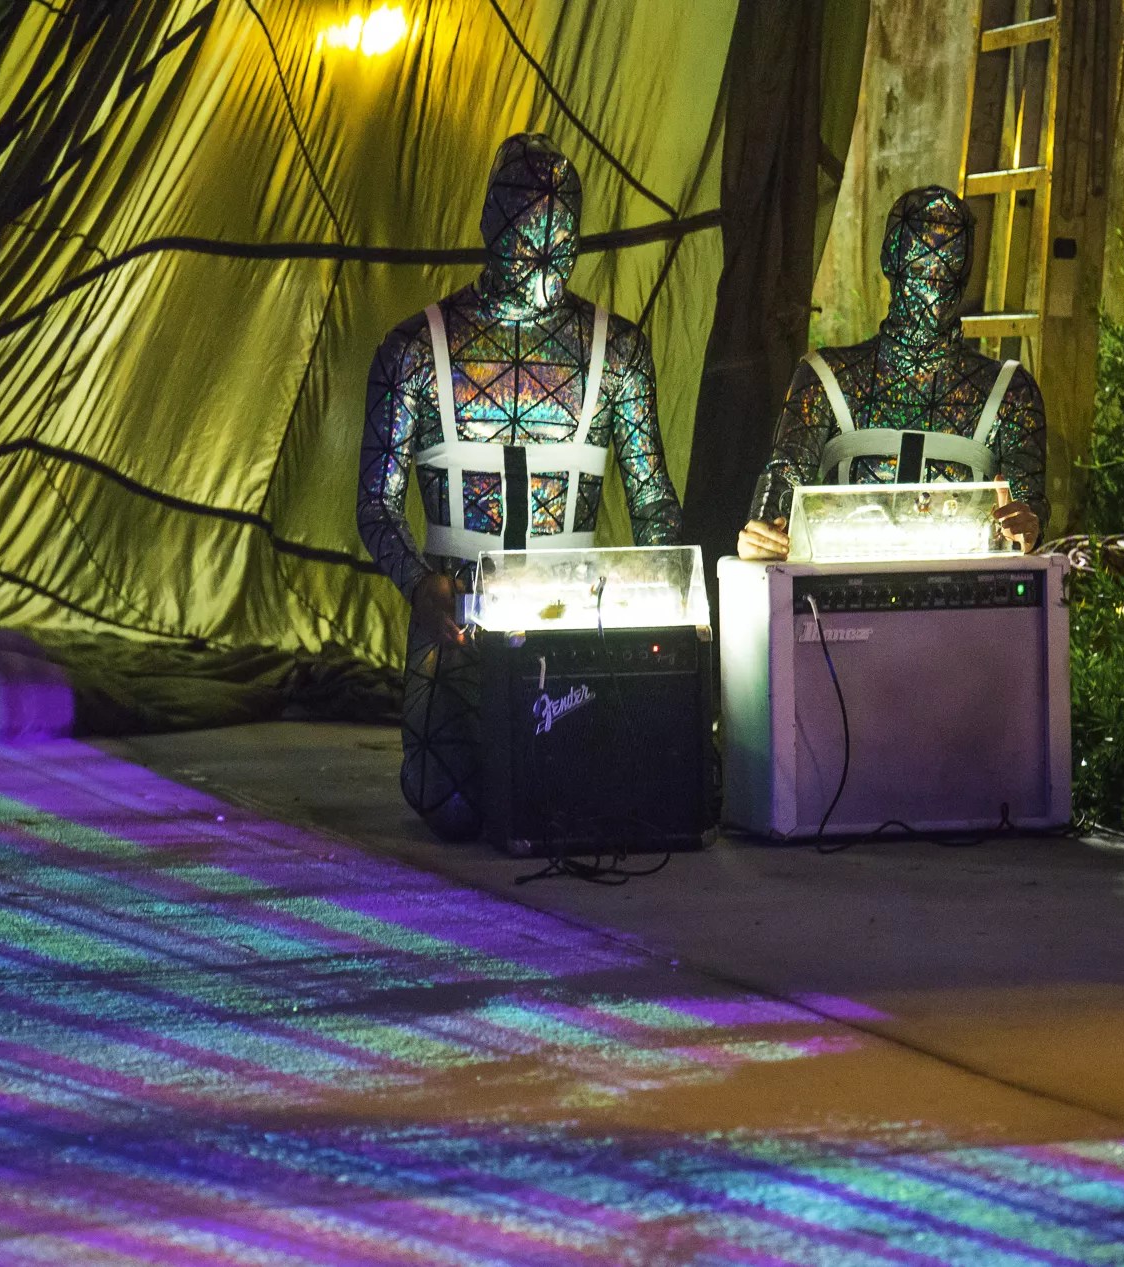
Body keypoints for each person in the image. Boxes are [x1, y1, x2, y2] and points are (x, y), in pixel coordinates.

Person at [357, 133, 682, 841]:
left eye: (559, 239)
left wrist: (666, 610)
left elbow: (653, 499)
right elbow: (375, 504)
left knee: (589, 801)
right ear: (488, 224)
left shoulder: (619, 354)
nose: (540, 256)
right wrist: (419, 583)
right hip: (459, 631)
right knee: (455, 807)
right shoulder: (414, 351)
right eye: (525, 232)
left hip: (579, 628)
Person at [738, 186, 1047, 561]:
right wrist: (762, 532)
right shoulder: (826, 378)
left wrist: (1026, 529)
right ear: (890, 261)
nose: (932, 286)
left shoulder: (1010, 391)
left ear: (967, 273)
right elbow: (784, 477)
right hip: (844, 589)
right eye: (919, 268)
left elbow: (1027, 509)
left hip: (962, 591)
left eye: (948, 269)